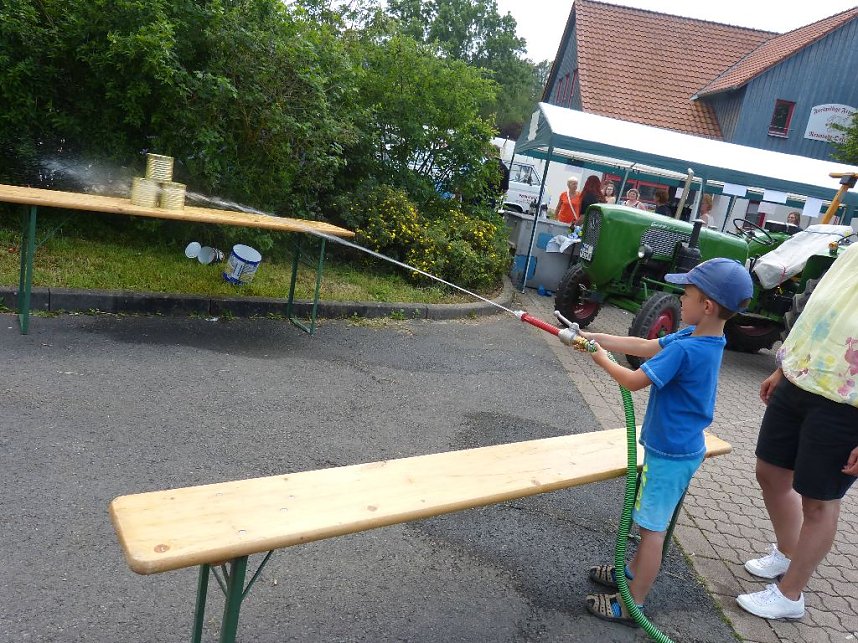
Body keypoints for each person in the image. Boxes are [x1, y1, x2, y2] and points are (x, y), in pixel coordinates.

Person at [580, 258, 754, 627]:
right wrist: (598, 337)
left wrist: (599, 357)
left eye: (686, 295)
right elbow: (645, 346)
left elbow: (631, 381)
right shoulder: (702, 338)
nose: (680, 301)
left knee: (651, 531)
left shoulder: (686, 349)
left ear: (706, 306)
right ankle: (629, 575)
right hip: (681, 447)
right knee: (650, 524)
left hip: (670, 455)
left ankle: (632, 604)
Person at [736, 243, 858, 621]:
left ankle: (791, 596)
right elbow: (814, 312)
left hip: (848, 401)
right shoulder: (853, 252)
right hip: (801, 376)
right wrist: (782, 366)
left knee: (819, 501)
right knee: (770, 472)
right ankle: (787, 553)